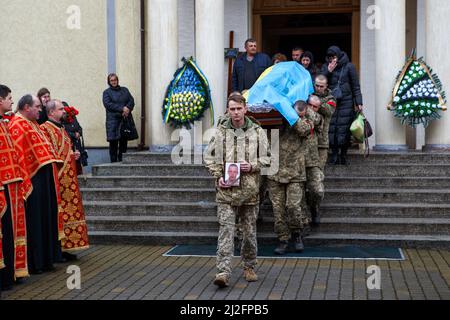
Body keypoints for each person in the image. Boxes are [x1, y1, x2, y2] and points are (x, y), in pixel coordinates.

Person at [205, 94, 270, 288]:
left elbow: (268, 159)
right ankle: (223, 271)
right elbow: (209, 157)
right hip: (226, 191)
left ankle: (249, 266)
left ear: (245, 108)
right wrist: (219, 176)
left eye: (238, 108)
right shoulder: (220, 132)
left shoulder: (257, 132)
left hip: (249, 192)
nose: (235, 113)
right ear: (228, 110)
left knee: (249, 233)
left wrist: (251, 166)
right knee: (226, 231)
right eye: (231, 109)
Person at [8, 95, 63, 274]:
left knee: (46, 219)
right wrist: (26, 183)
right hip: (33, 183)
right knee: (36, 223)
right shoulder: (17, 124)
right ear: (26, 107)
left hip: (44, 181)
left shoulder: (34, 125)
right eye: (37, 106)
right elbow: (18, 157)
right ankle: (36, 262)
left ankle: (47, 259)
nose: (41, 109)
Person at [40, 100, 90, 261]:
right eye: (61, 109)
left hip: (69, 181)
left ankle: (68, 247)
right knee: (59, 216)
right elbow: (49, 155)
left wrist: (74, 156)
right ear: (51, 112)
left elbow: (65, 151)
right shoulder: (45, 130)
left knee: (70, 214)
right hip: (58, 181)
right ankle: (58, 250)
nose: (64, 111)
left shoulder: (61, 129)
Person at [268, 101, 313, 255]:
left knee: (293, 207)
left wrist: (290, 114)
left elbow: (304, 130)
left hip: (295, 172)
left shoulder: (305, 118)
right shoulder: (272, 118)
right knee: (278, 210)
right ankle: (283, 239)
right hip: (274, 171)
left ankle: (297, 234)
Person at [0, 85, 31, 291]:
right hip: (3, 186)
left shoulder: (4, 124)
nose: (12, 101)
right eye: (9, 98)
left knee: (12, 233)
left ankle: (11, 273)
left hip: (12, 185)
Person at [321, 46, 363, 165]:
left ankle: (343, 155)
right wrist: (328, 71)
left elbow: (355, 86)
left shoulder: (349, 66)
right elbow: (320, 81)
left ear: (339, 56)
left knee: (344, 128)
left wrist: (359, 102)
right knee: (332, 128)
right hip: (331, 101)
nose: (332, 60)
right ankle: (334, 154)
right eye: (330, 57)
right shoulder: (326, 67)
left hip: (346, 101)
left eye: (334, 57)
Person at [304, 95, 327, 226]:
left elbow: (315, 118)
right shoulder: (297, 117)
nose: (312, 109)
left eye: (315, 107)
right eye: (310, 105)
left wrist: (307, 109)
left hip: (312, 161)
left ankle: (314, 206)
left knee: (317, 191)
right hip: (297, 162)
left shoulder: (319, 118)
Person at [102, 73, 135, 163]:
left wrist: (128, 108)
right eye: (111, 80)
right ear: (109, 82)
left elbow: (131, 100)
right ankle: (113, 163)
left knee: (123, 143)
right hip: (113, 122)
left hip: (124, 120)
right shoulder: (106, 92)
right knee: (113, 144)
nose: (114, 82)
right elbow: (108, 104)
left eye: (115, 80)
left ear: (117, 80)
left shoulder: (125, 90)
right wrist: (122, 108)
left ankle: (122, 162)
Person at [313, 75, 337, 170]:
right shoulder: (308, 94)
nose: (318, 88)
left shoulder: (331, 98)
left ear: (326, 86)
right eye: (317, 85)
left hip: (321, 141)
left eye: (321, 86)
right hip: (307, 139)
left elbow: (328, 110)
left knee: (319, 171)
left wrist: (313, 102)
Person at [61, 102, 86, 175]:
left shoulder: (73, 117)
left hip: (77, 144)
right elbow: (63, 132)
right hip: (69, 145)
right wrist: (73, 135)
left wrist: (79, 133)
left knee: (79, 164)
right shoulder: (61, 121)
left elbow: (79, 127)